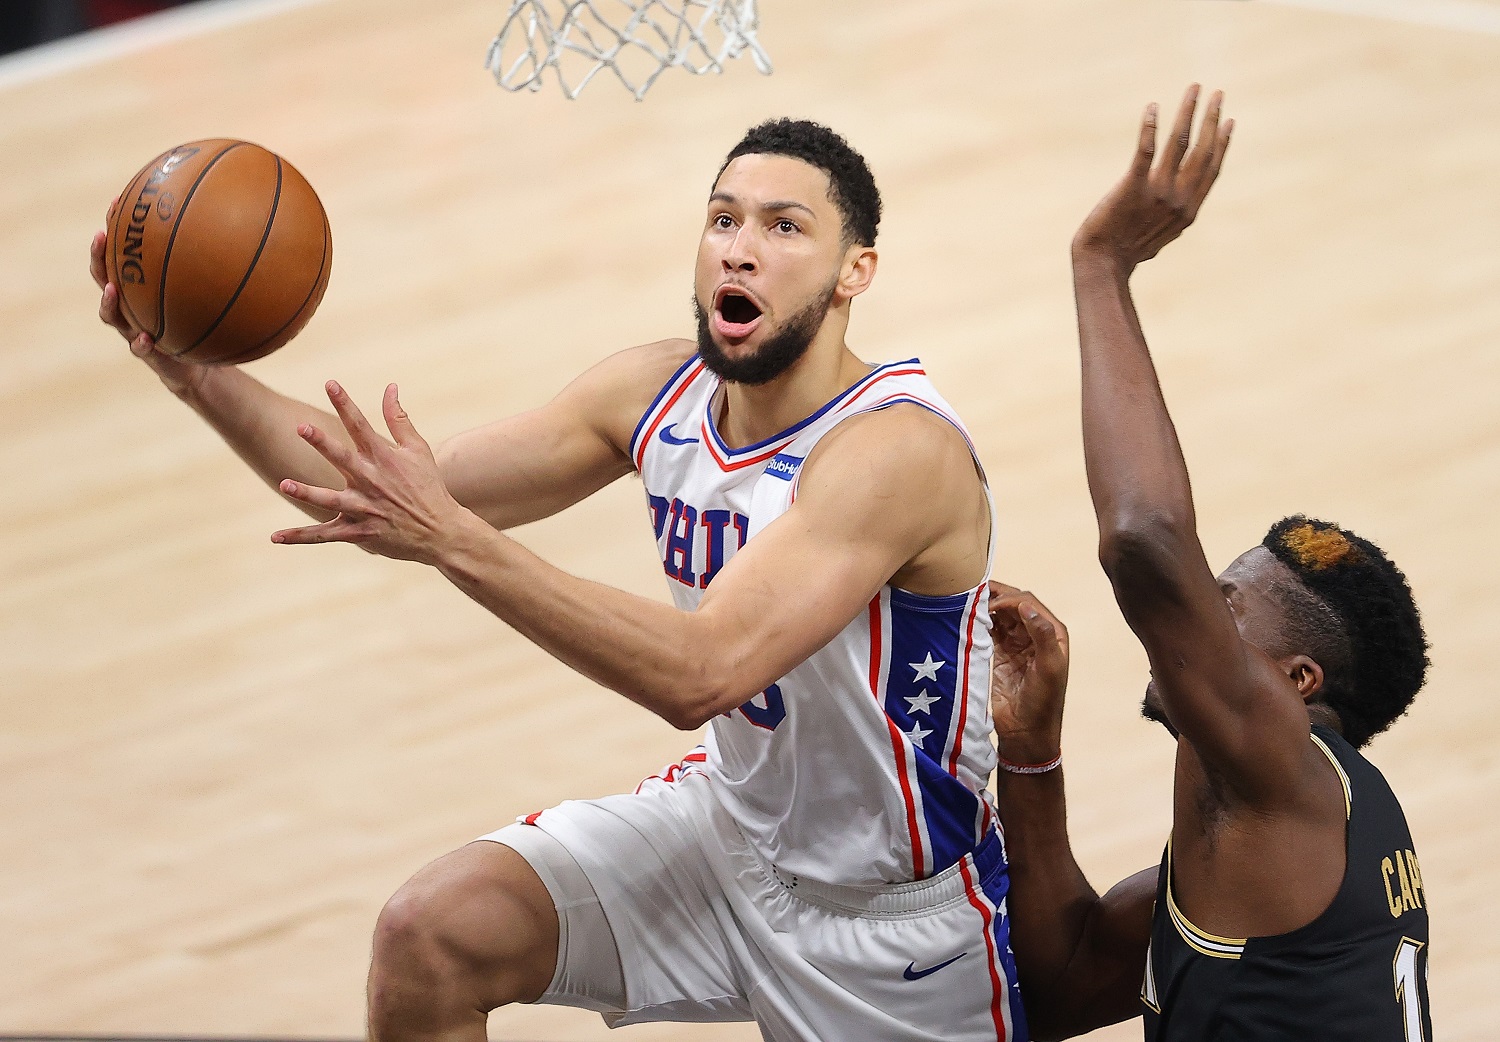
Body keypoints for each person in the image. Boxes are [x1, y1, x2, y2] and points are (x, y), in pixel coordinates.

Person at [92, 119, 1024, 1041]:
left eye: (785, 228)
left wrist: (452, 540)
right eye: (723, 220)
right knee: (433, 936)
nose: (741, 252)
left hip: (889, 927)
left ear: (853, 270)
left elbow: (701, 671)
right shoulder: (653, 392)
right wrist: (189, 372)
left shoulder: (895, 449)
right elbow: (377, 492)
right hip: (728, 834)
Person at [984, 86, 1433, 1041]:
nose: (1195, 607)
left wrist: (1101, 267)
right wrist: (1033, 753)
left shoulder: (1291, 782)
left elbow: (1145, 537)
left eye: (1225, 601)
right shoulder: (1261, 837)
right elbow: (1061, 986)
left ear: (1295, 681)